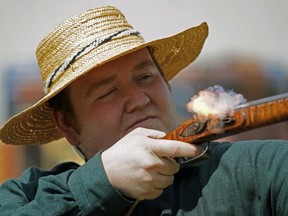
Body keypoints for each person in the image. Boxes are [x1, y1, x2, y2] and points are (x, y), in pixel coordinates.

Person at [0, 6, 288, 216]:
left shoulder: (260, 168)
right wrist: (103, 183)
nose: (139, 99)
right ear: (67, 125)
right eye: (107, 92)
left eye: (145, 77)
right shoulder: (25, 197)